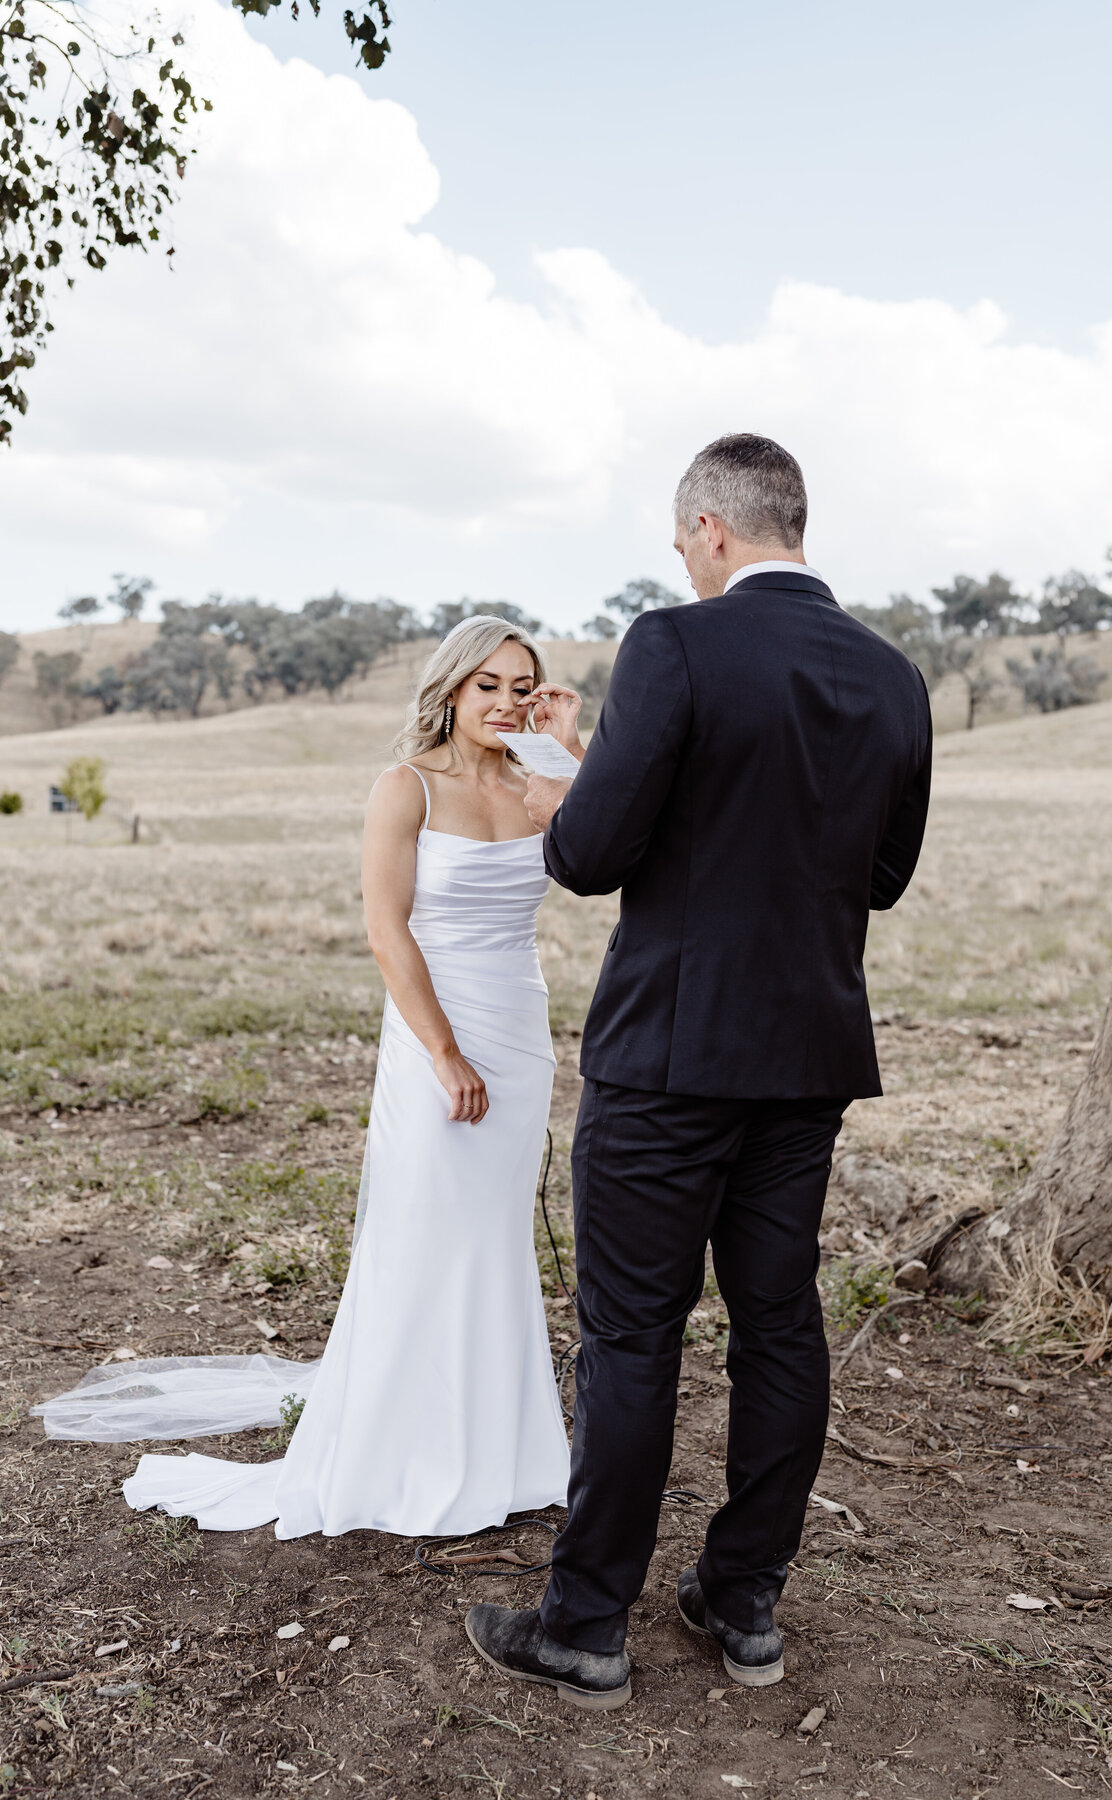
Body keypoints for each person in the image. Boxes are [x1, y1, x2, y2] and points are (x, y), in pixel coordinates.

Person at [465, 433, 933, 1712]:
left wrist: (576, 782)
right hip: (810, 1061)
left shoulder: (673, 643)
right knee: (780, 1323)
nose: (683, 561)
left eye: (684, 544)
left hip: (670, 1063)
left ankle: (586, 1625)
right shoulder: (895, 677)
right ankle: (745, 1601)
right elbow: (882, 878)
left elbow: (591, 855)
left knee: (631, 1334)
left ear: (714, 531)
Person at [33, 617, 584, 1542]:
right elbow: (385, 931)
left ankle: (506, 1450)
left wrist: (563, 751)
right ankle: (398, 1450)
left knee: (493, 1237)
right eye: (485, 684)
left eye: (521, 685)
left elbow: (586, 866)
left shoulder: (542, 784)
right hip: (432, 1030)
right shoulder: (403, 787)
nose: (503, 701)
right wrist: (444, 1051)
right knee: (422, 1229)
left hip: (520, 1031)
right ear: (450, 690)